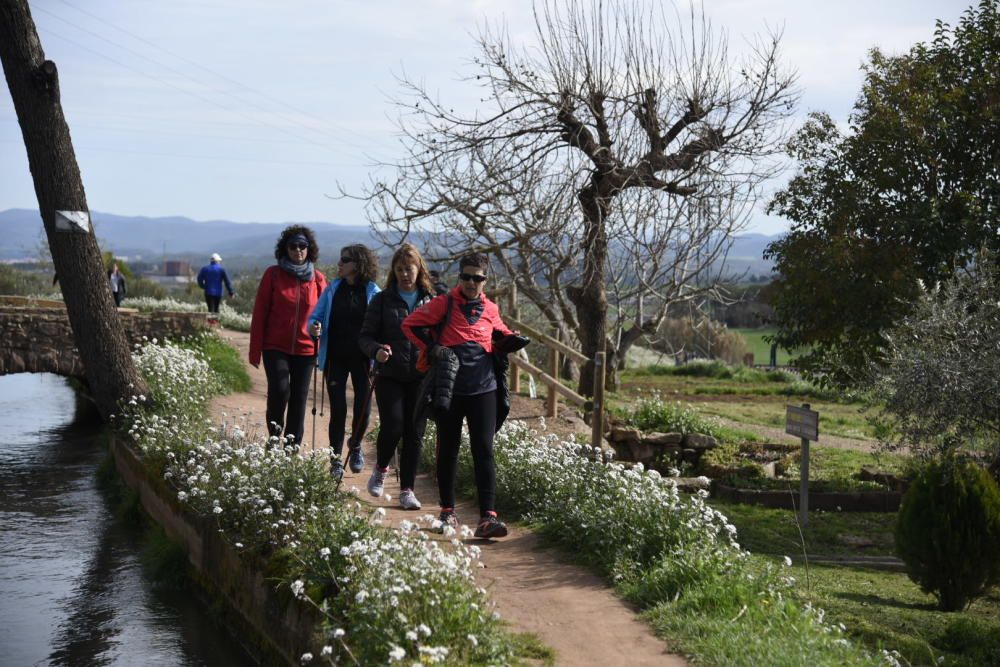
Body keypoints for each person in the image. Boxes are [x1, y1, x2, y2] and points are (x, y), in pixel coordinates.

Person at [401, 252, 517, 539]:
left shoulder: (490, 308)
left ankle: (488, 517)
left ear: (485, 280)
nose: (470, 282)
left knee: (484, 450)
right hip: (450, 388)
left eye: (476, 278)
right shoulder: (444, 303)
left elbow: (500, 332)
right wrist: (433, 348)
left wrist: (510, 341)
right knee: (448, 449)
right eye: (465, 276)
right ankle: (447, 511)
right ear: (459, 277)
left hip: (484, 388)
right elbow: (410, 324)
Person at [358, 244, 435, 509]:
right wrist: (376, 350)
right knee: (393, 425)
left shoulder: (431, 300)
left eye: (409, 269)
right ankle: (380, 469)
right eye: (400, 269)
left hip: (421, 375)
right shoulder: (382, 300)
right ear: (393, 271)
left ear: (419, 269)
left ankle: (407, 491)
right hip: (389, 373)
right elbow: (365, 337)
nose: (404, 274)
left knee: (414, 432)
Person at [249, 225, 327, 446]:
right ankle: (274, 438)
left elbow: (325, 315)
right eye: (293, 246)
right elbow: (260, 313)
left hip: (306, 349)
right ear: (285, 249)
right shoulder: (272, 275)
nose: (298, 250)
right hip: (275, 346)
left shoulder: (318, 279)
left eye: (303, 246)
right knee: (280, 391)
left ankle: (292, 447)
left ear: (309, 249)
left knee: (299, 399)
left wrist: (322, 336)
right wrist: (255, 351)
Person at [307, 244, 380, 478]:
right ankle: (336, 460)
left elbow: (382, 324)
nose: (339, 264)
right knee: (338, 410)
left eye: (345, 260)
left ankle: (356, 445)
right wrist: (314, 327)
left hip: (363, 359)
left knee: (363, 407)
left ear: (358, 265)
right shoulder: (332, 289)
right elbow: (315, 317)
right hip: (335, 357)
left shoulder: (373, 292)